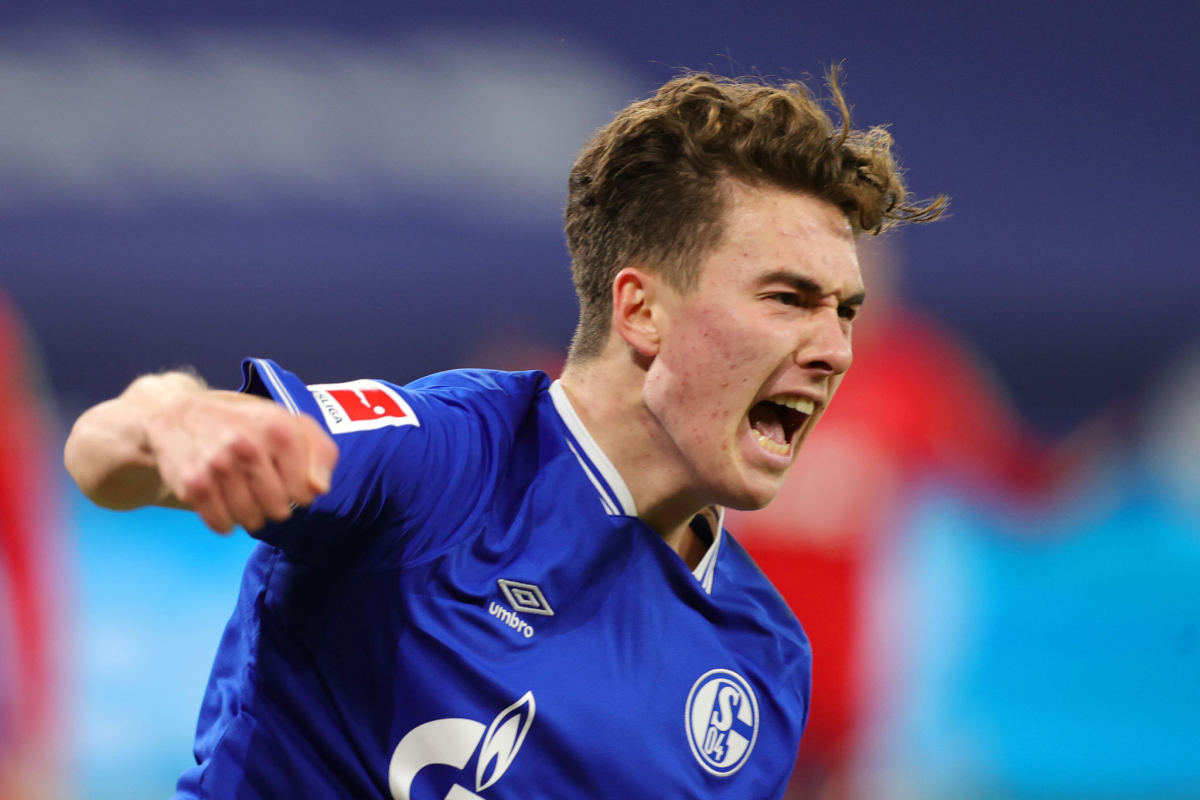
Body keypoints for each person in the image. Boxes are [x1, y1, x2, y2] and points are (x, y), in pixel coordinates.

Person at [63, 72, 943, 799]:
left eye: (847, 313)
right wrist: (177, 415)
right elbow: (108, 450)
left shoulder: (761, 663)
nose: (835, 351)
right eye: (788, 299)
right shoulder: (449, 458)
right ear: (641, 310)